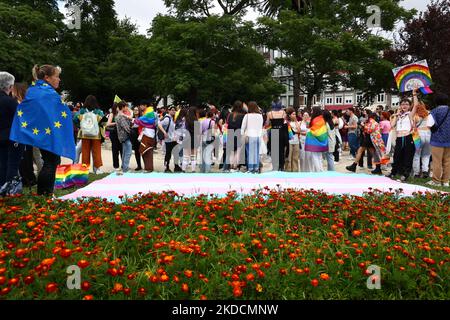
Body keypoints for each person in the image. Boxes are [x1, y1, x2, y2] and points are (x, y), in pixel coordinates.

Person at [9, 65, 75, 196]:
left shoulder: (34, 90)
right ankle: (45, 193)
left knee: (49, 162)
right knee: (51, 163)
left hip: (43, 133)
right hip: (48, 135)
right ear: (47, 78)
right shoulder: (47, 93)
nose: (59, 79)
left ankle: (44, 193)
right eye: (56, 76)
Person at [0, 72, 24, 196]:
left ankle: (1, 188)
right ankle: (9, 189)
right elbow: (21, 119)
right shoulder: (10, 102)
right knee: (12, 165)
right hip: (11, 137)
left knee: (2, 163)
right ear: (10, 86)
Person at [387, 90, 419, 182]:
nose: (404, 106)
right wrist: (397, 115)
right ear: (400, 106)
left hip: (408, 137)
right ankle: (393, 172)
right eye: (402, 104)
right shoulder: (398, 116)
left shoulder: (410, 114)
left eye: (406, 104)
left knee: (407, 156)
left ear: (409, 106)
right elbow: (392, 125)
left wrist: (414, 94)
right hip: (399, 138)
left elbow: (416, 105)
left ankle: (405, 174)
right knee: (396, 156)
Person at [76, 95, 106, 174]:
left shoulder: (82, 111)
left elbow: (75, 119)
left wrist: (81, 126)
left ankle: (85, 169)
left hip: (85, 134)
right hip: (96, 135)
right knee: (96, 152)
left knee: (85, 152)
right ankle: (97, 169)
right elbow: (104, 122)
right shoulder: (98, 111)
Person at [426, 93, 450, 187]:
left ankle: (436, 181)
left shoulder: (434, 111)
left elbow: (429, 124)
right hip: (449, 139)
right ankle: (445, 181)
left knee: (437, 161)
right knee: (447, 161)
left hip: (437, 140)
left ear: (436, 101)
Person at [241, 102, 264, 173]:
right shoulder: (260, 116)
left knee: (250, 153)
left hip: (249, 136)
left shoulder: (247, 116)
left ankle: (250, 168)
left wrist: (242, 136)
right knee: (256, 153)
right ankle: (256, 168)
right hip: (258, 136)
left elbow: (243, 127)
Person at [266, 99, 288, 171]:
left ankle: (275, 166)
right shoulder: (283, 113)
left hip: (273, 131)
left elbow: (267, 124)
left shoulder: (269, 113)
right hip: (281, 131)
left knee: (274, 150)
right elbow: (285, 123)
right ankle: (281, 167)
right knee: (281, 150)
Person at [224, 101, 246, 172]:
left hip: (230, 133)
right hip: (239, 133)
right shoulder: (243, 116)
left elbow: (227, 124)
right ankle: (235, 166)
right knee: (237, 151)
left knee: (231, 152)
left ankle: (230, 167)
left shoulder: (229, 115)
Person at [305, 107, 328, 172]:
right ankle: (321, 170)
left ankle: (318, 172)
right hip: (321, 141)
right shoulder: (322, 119)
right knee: (319, 157)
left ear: (315, 111)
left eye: (312, 110)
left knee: (315, 157)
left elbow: (315, 131)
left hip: (315, 141)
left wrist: (308, 130)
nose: (311, 112)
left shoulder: (315, 119)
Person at [159, 106, 181, 173]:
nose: (173, 111)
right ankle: (166, 167)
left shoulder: (172, 118)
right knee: (168, 154)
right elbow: (159, 124)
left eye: (174, 110)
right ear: (168, 111)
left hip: (174, 139)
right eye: (172, 110)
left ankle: (176, 166)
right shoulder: (167, 118)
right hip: (168, 140)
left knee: (176, 153)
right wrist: (164, 132)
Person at [412, 102, 431, 178]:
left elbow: (413, 126)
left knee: (417, 154)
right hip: (429, 134)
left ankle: (416, 173)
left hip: (418, 134)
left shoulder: (415, 115)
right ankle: (425, 170)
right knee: (426, 154)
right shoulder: (429, 114)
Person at [115, 101, 133, 174]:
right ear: (122, 107)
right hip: (125, 136)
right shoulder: (121, 116)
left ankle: (124, 166)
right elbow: (126, 127)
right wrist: (131, 130)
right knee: (128, 152)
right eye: (126, 106)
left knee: (125, 151)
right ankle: (125, 168)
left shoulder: (118, 115)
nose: (127, 108)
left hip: (122, 136)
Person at [106, 103, 122, 172]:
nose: (119, 108)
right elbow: (108, 124)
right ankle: (116, 165)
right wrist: (116, 123)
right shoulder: (112, 114)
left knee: (122, 149)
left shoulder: (121, 114)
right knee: (115, 150)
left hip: (120, 133)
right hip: (114, 133)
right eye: (118, 107)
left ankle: (123, 165)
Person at [284, 107, 301, 172]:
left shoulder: (297, 122)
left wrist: (296, 121)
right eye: (293, 114)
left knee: (295, 158)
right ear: (289, 115)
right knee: (289, 158)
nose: (294, 115)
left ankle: (295, 171)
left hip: (296, 141)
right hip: (289, 142)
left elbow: (299, 130)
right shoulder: (286, 122)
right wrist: (295, 132)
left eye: (295, 114)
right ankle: (288, 171)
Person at [130, 106, 143, 171]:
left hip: (140, 134)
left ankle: (146, 165)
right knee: (136, 151)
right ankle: (139, 165)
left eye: (137, 110)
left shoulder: (141, 118)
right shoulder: (132, 118)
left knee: (142, 150)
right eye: (134, 110)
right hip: (134, 134)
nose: (135, 111)